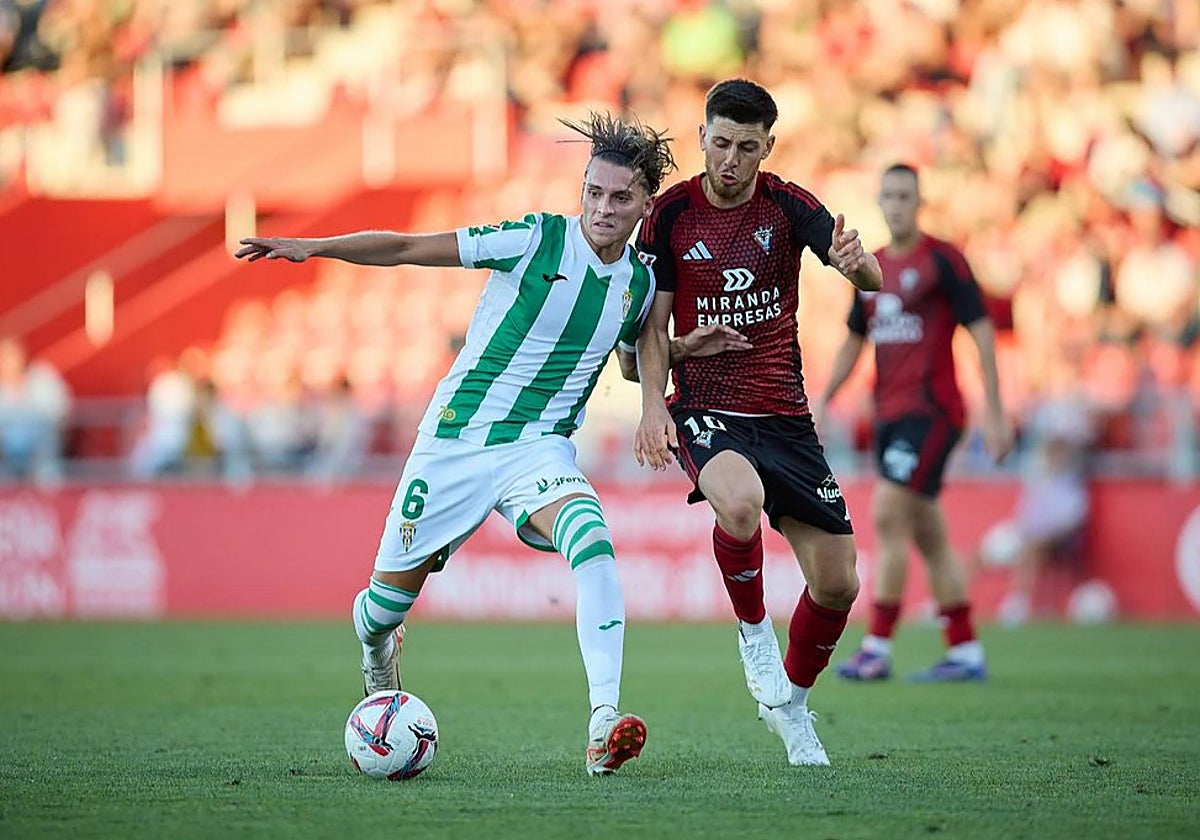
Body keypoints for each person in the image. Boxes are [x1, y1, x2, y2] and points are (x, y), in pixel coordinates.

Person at [236, 112, 740, 777]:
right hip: (453, 444)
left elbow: (628, 357)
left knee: (592, 539)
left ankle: (601, 725)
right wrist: (315, 247)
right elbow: (409, 247)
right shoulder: (534, 239)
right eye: (594, 192)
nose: (604, 208)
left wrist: (674, 354)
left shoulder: (640, 283)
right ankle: (378, 647)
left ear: (646, 204)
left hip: (539, 449)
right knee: (381, 610)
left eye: (620, 198)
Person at [634, 79, 882, 767]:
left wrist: (864, 270)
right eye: (720, 143)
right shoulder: (670, 214)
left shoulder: (789, 204)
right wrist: (655, 404)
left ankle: (792, 709)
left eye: (748, 147)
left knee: (838, 583)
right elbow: (652, 327)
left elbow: (865, 276)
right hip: (708, 408)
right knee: (738, 503)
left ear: (767, 147)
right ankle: (753, 636)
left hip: (786, 420)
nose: (731, 159)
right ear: (703, 138)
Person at [815, 163, 1013, 683]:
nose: (896, 204)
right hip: (890, 416)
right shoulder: (870, 269)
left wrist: (995, 412)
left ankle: (877, 647)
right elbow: (854, 341)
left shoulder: (943, 260)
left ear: (919, 200)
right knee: (928, 533)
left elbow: (982, 331)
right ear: (879, 202)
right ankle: (965, 649)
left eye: (905, 195)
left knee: (886, 513)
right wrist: (824, 400)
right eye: (889, 195)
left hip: (934, 412)